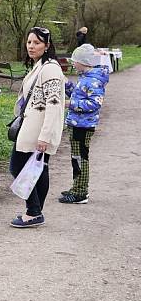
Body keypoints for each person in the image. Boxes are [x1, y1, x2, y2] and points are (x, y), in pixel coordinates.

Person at [9, 27, 66, 228]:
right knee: (39, 169)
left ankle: (33, 211)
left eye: (37, 43)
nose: (31, 46)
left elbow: (54, 104)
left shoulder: (50, 68)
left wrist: (45, 136)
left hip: (38, 129)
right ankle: (35, 212)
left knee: (17, 166)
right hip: (33, 125)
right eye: (30, 42)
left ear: (47, 46)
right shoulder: (41, 65)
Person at [59, 44, 108, 204]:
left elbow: (95, 103)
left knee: (81, 158)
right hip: (76, 124)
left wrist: (69, 104)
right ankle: (76, 187)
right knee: (76, 157)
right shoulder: (86, 77)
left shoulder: (93, 80)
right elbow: (78, 94)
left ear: (85, 62)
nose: (73, 63)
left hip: (83, 126)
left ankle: (81, 193)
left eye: (75, 61)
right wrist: (66, 84)